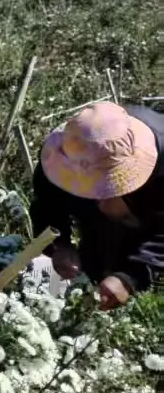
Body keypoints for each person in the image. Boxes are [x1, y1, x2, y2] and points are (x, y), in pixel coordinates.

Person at [31, 100, 163, 310]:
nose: (99, 196)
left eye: (107, 186)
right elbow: (47, 205)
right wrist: (60, 245)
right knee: (96, 250)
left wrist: (130, 278)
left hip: (150, 209)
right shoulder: (64, 152)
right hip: (103, 217)